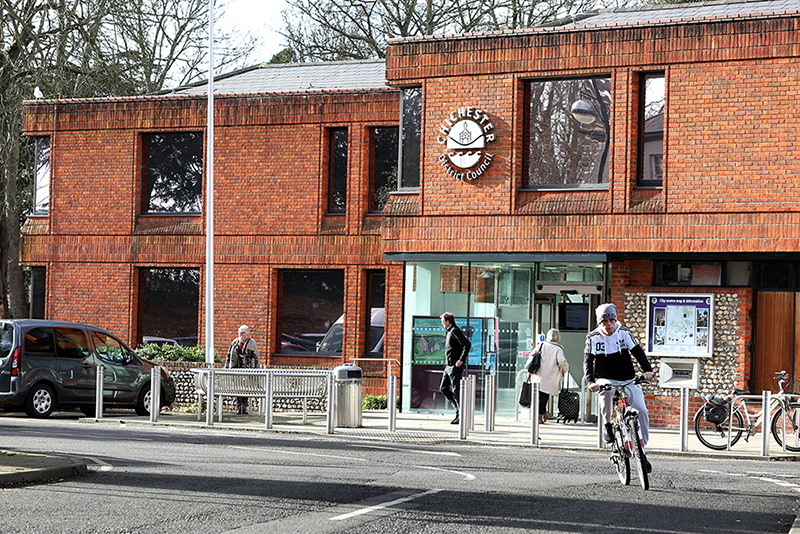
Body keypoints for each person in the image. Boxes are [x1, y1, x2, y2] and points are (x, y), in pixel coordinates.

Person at [584, 303, 654, 471]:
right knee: (606, 396)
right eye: (604, 321)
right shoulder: (592, 337)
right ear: (599, 323)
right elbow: (588, 361)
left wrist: (647, 370)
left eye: (611, 320)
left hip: (627, 378)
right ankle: (608, 424)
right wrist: (590, 381)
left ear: (615, 320)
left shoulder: (624, 332)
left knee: (642, 411)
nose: (608, 325)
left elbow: (637, 351)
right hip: (605, 378)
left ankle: (641, 448)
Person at [528, 328, 569, 424]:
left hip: (538, 374)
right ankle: (540, 415)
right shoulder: (557, 349)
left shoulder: (541, 345)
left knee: (537, 395)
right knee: (544, 396)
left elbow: (531, 357)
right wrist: (566, 368)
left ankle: (540, 414)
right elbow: (562, 361)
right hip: (550, 376)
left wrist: (529, 369)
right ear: (558, 337)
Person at [439, 312, 471, 425]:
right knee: (443, 388)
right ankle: (458, 410)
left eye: (443, 322)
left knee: (457, 390)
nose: (442, 324)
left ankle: (461, 414)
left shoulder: (455, 331)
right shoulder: (449, 332)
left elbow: (467, 344)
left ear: (448, 322)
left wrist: (461, 359)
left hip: (454, 366)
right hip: (448, 366)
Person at [225, 324, 259, 414]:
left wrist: (257, 370)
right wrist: (226, 368)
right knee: (237, 388)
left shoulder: (252, 342)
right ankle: (239, 407)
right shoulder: (235, 342)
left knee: (246, 389)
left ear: (247, 333)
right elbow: (229, 356)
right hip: (236, 369)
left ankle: (244, 407)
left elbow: (256, 357)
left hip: (248, 370)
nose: (241, 335)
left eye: (243, 333)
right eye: (240, 333)